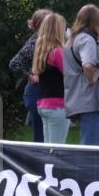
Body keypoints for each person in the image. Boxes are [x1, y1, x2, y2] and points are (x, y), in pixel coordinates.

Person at [63, 5, 99, 146]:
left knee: (89, 142)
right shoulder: (86, 39)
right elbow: (88, 64)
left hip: (76, 95)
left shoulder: (71, 39)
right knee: (93, 146)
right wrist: (92, 79)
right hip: (89, 99)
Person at [9, 8, 52, 142]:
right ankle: (39, 162)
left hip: (44, 92)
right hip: (35, 93)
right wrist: (30, 75)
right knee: (41, 135)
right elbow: (14, 63)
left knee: (47, 135)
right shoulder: (35, 42)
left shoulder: (47, 41)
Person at [31, 12, 70, 144]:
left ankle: (46, 165)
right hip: (58, 105)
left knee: (49, 148)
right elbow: (71, 74)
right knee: (57, 149)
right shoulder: (57, 52)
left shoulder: (41, 52)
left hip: (43, 104)